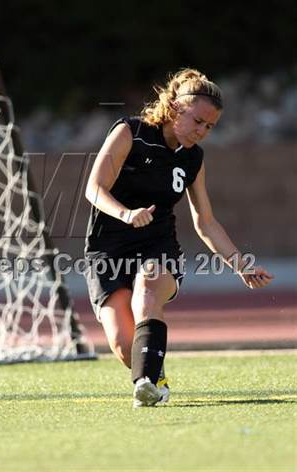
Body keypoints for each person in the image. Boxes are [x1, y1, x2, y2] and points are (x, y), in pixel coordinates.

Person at [83, 68, 274, 408]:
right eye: (198, 121)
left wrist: (240, 264)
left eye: (209, 127)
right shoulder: (131, 132)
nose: (202, 132)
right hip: (108, 247)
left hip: (158, 246)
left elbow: (206, 222)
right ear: (174, 107)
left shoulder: (192, 159)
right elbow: (93, 188)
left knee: (147, 292)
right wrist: (126, 214)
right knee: (123, 344)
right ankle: (156, 376)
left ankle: (144, 384)